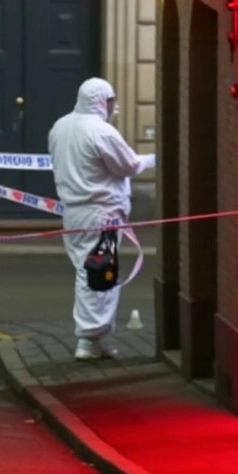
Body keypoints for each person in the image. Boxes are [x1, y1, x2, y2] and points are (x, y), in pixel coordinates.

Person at [48, 77, 155, 361]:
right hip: (100, 214)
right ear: (102, 101)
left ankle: (94, 339)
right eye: (110, 102)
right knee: (98, 275)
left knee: (88, 271)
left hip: (73, 213)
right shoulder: (101, 132)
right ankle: (89, 339)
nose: (112, 107)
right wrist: (152, 159)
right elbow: (128, 165)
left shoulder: (60, 126)